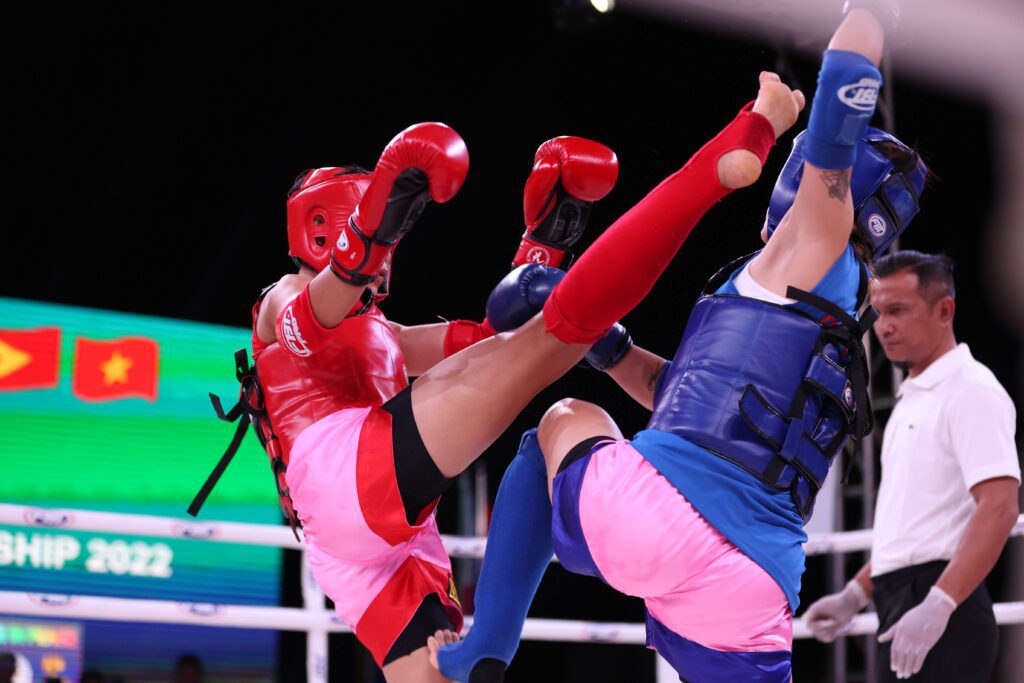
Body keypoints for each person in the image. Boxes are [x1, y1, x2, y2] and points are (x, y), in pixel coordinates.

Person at [192, 71, 795, 682]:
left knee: (452, 676)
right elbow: (307, 319)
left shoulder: (385, 335)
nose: (390, 252)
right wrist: (369, 236)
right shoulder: (283, 296)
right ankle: (724, 159)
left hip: (372, 552)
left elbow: (491, 339)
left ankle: (482, 654)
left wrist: (544, 245)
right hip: (341, 479)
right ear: (327, 228)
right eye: (382, 224)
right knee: (558, 337)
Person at [431, 4, 930, 683]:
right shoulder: (832, 314)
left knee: (560, 421)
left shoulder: (817, 239)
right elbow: (690, 401)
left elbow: (843, 87)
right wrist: (605, 343)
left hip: (660, 521)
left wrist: (867, 15)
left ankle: (484, 648)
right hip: (754, 589)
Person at [802, 250, 1020, 681]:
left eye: (898, 310)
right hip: (903, 598)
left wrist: (940, 603)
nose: (884, 326)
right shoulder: (913, 398)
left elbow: (1000, 507)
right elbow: (914, 528)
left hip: (943, 604)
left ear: (944, 311)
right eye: (879, 312)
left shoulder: (971, 390)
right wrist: (854, 594)